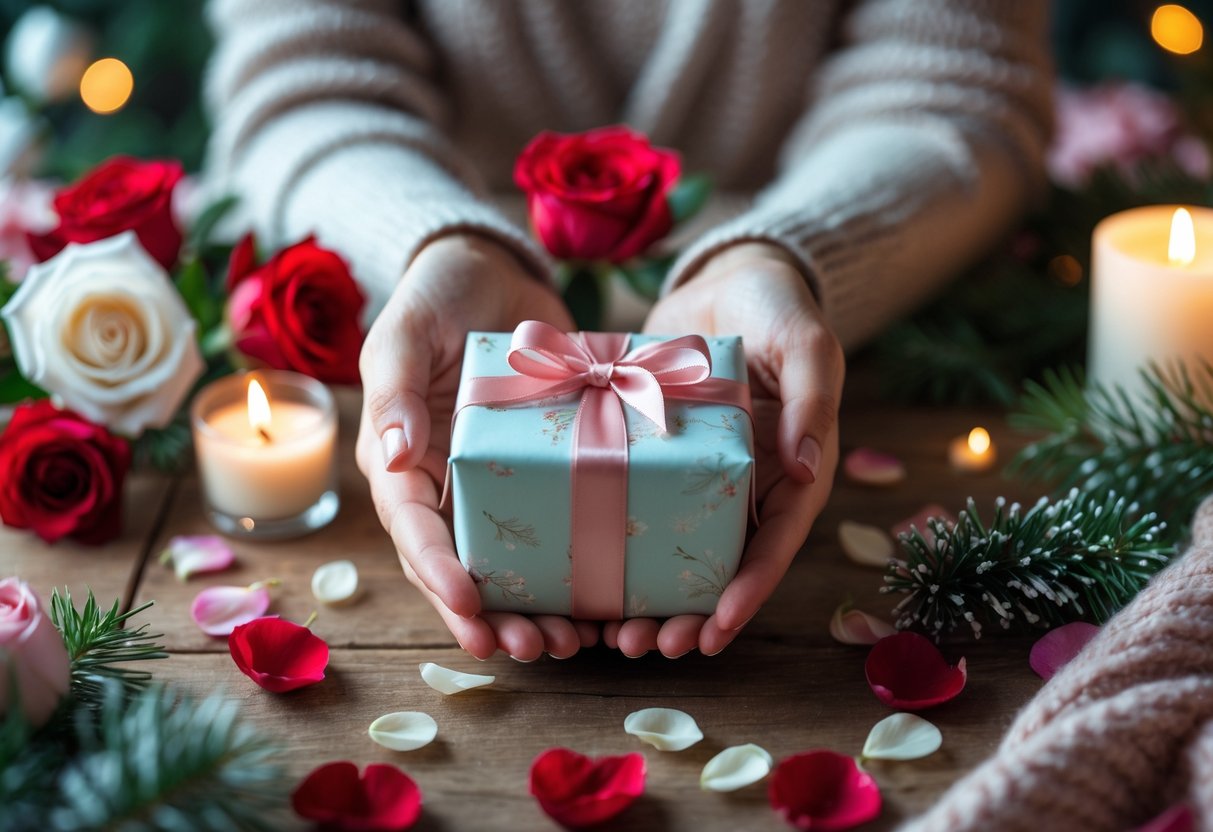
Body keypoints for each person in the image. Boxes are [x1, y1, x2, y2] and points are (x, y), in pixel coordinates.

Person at [204, 0, 1052, 661]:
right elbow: (301, 86)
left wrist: (779, 255)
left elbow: (963, 87)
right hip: (448, 302)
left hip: (832, 341)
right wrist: (434, 242)